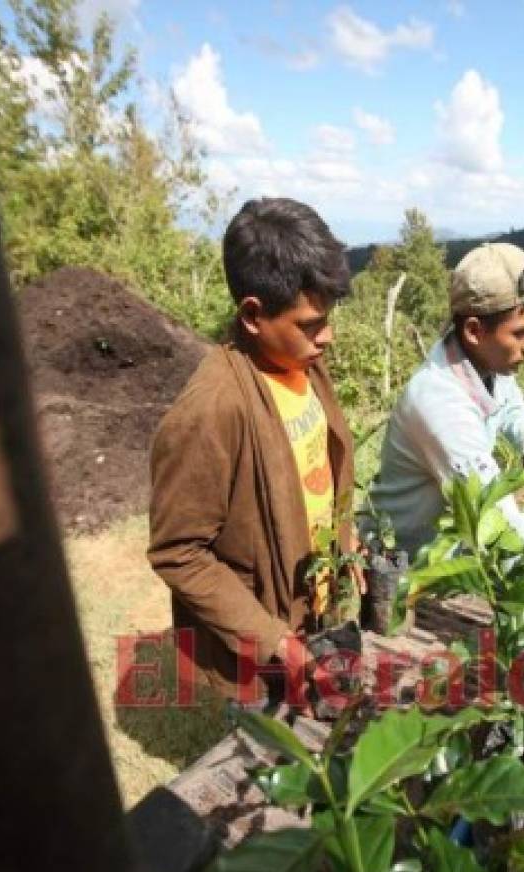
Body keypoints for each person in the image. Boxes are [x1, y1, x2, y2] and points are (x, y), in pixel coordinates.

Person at [148, 197, 361, 703]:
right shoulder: (211, 412)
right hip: (262, 645)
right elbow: (178, 552)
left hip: (312, 611)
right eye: (311, 323)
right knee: (268, 763)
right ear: (253, 315)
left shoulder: (301, 363)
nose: (327, 336)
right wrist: (275, 644)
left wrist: (345, 542)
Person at [366, 242, 524, 594]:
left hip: (454, 561)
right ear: (475, 331)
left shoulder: (485, 361)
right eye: (521, 332)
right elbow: (501, 524)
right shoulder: (440, 404)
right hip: (408, 578)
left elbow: (511, 405)